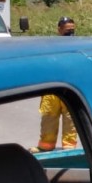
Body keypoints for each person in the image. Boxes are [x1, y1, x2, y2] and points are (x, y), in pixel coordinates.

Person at [32, 17, 77, 152]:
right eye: (67, 30)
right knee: (48, 118)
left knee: (70, 121)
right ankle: (46, 146)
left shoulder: (78, 44)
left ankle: (69, 148)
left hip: (69, 86)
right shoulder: (50, 45)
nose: (70, 32)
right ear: (59, 30)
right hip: (52, 88)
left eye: (72, 29)